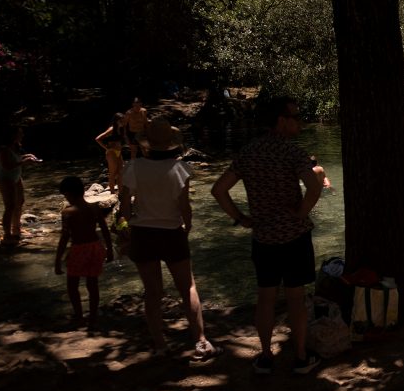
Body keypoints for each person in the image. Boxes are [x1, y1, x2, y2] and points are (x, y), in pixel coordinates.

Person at [211, 97, 322, 375]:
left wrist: (241, 218)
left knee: (266, 298)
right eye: (295, 116)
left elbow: (219, 190)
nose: (299, 122)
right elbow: (314, 186)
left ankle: (264, 357)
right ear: (281, 120)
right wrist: (301, 211)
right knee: (296, 299)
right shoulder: (292, 152)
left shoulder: (249, 152)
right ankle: (299, 357)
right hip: (294, 237)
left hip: (263, 238)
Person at [120, 117, 221, 362]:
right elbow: (184, 206)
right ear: (171, 143)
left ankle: (160, 346)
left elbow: (124, 206)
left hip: (143, 233)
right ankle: (200, 341)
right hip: (171, 231)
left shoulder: (132, 167)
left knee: (152, 291)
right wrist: (187, 226)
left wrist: (126, 229)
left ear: (147, 143)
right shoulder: (180, 169)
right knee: (187, 287)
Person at [55, 176, 114, 328]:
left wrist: (58, 260)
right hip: (95, 247)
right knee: (92, 284)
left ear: (69, 194)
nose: (66, 198)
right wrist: (110, 249)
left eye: (65, 195)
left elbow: (64, 237)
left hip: (78, 249)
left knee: (72, 285)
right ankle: (93, 318)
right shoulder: (94, 208)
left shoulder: (68, 212)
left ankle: (79, 316)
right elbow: (105, 230)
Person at [0, 125, 41, 245]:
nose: (23, 135)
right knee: (9, 206)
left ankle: (16, 229)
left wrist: (27, 156)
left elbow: (14, 159)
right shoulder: (4, 149)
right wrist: (24, 162)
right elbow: (6, 166)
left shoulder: (14, 147)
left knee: (20, 202)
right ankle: (7, 235)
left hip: (16, 178)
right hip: (5, 179)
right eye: (20, 133)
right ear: (13, 135)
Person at [95, 113, 127, 193]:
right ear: (116, 121)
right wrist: (107, 148)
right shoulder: (112, 129)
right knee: (112, 173)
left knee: (121, 172)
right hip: (112, 152)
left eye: (123, 120)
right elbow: (98, 139)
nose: (123, 121)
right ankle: (112, 193)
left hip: (119, 152)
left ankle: (121, 191)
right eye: (121, 120)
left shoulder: (121, 129)